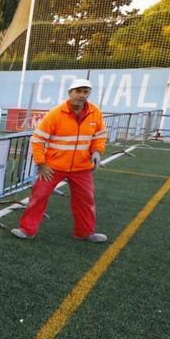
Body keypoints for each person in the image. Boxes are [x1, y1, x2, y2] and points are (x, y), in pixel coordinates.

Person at [11, 78, 109, 242]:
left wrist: (97, 151)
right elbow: (37, 139)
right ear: (70, 93)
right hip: (53, 167)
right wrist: (41, 164)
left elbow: (100, 135)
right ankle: (27, 230)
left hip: (82, 167)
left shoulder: (95, 112)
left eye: (85, 92)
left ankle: (85, 233)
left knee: (86, 200)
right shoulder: (56, 113)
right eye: (78, 91)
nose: (81, 95)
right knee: (39, 196)